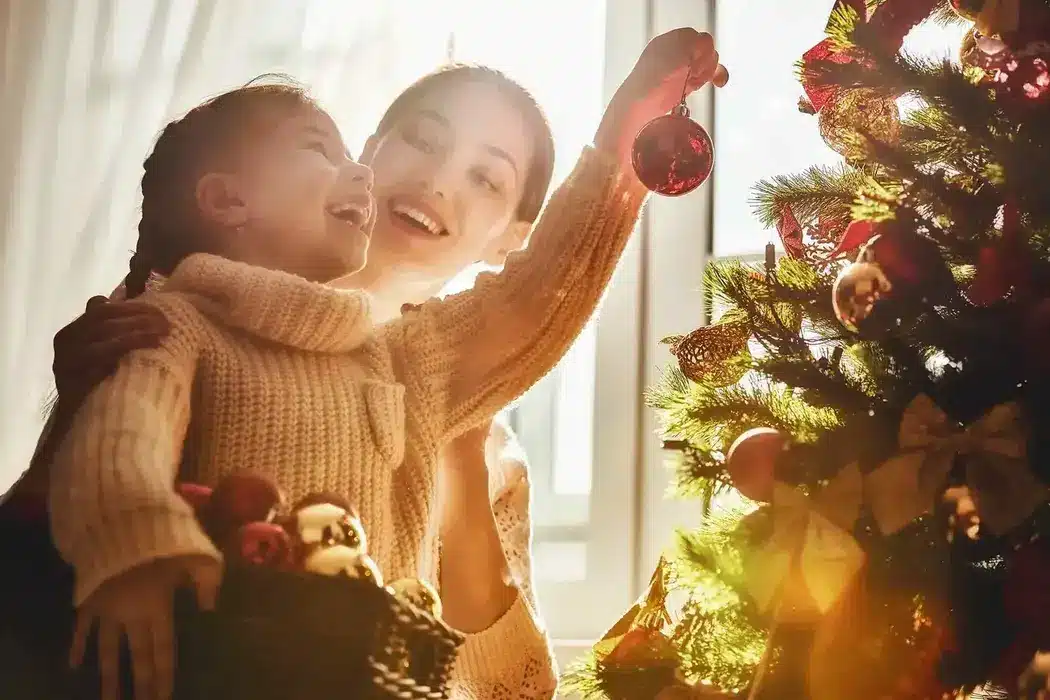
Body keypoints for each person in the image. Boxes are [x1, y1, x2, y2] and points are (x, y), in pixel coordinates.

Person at [13, 29, 728, 700]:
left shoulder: (433, 376)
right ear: (369, 155)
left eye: (486, 177)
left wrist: (628, 136)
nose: (440, 181)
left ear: (510, 240)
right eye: (422, 139)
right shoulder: (172, 314)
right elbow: (57, 538)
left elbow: (514, 687)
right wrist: (84, 426)